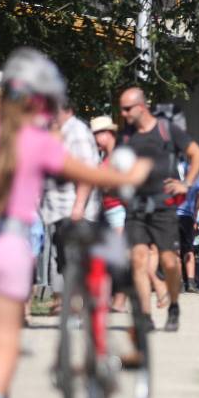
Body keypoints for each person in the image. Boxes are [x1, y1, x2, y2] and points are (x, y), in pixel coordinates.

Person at [0, 48, 150, 398]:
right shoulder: (37, 140)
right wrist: (133, 174)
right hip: (6, 243)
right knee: (6, 336)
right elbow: (90, 173)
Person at [119, 86, 199, 331]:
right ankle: (144, 315)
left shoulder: (167, 130)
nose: (123, 114)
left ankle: (174, 305)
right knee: (138, 259)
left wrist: (186, 183)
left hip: (164, 206)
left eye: (127, 109)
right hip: (135, 206)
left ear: (141, 106)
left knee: (169, 261)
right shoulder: (125, 137)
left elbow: (197, 154)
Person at [40, 102, 101, 313]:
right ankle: (73, 306)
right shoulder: (58, 131)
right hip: (58, 210)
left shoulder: (76, 132)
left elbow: (86, 170)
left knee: (73, 261)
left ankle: (78, 307)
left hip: (73, 210)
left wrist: (79, 205)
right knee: (64, 262)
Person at [90, 115, 127, 311]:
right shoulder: (104, 157)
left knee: (118, 256)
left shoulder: (118, 157)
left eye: (97, 134)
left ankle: (120, 300)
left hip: (119, 209)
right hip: (106, 210)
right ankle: (111, 297)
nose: (95, 138)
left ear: (108, 134)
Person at [175, 158, 199, 292]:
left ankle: (179, 282)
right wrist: (194, 214)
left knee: (176, 249)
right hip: (188, 215)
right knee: (189, 249)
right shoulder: (195, 174)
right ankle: (191, 282)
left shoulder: (173, 168)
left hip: (174, 214)